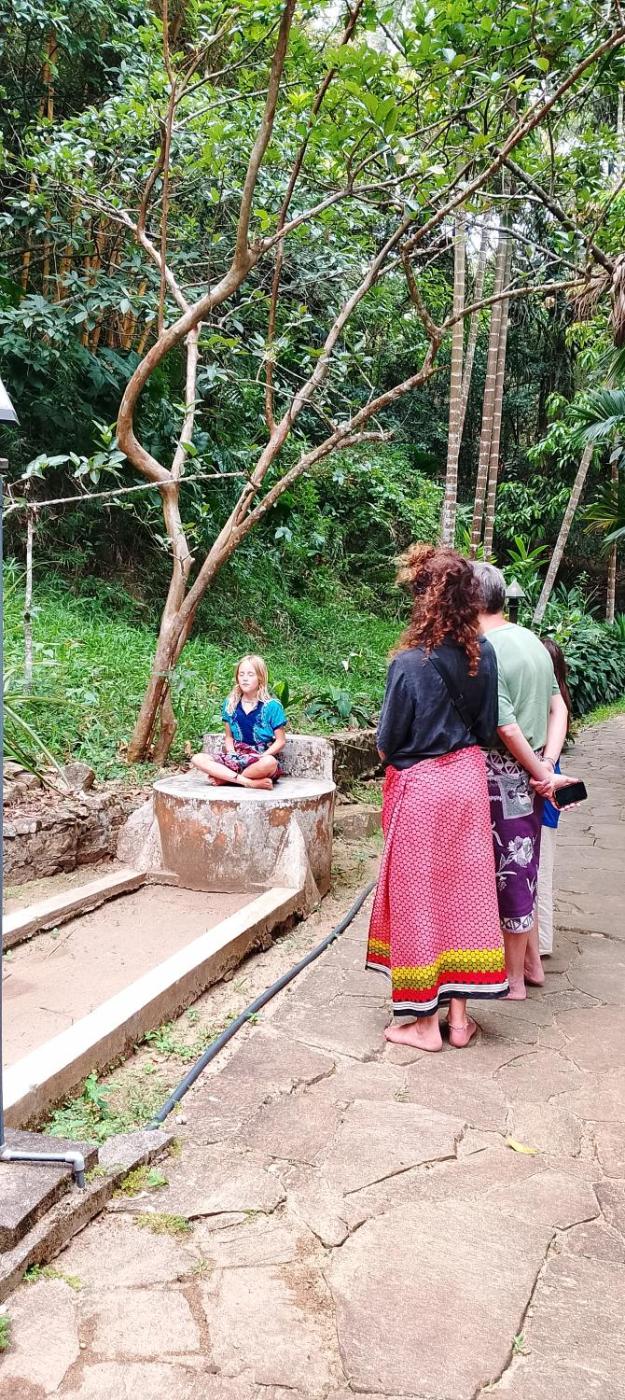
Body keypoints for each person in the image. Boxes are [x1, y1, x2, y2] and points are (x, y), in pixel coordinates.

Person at [366, 544, 509, 1053]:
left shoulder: (409, 663)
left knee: (420, 899)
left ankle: (424, 1023)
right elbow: (488, 728)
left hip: (424, 791)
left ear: (423, 599)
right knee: (465, 894)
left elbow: (388, 741)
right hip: (468, 784)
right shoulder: (482, 655)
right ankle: (459, 1021)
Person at [472, 563, 571, 999]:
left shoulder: (485, 649)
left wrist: (537, 770)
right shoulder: (531, 639)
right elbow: (558, 707)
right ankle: (530, 965)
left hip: (501, 773)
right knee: (524, 867)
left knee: (508, 873)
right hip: (534, 774)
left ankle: (512, 980)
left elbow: (506, 726)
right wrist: (547, 765)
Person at [191, 654, 287, 790]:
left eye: (250, 674)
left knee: (270, 763)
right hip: (237, 755)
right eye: (241, 674)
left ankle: (226, 779)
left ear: (260, 677)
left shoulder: (272, 706)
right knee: (198, 758)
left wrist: (262, 756)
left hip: (260, 757)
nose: (245, 678)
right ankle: (249, 782)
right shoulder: (230, 703)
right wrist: (231, 753)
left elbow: (280, 741)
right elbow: (229, 737)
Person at [537, 638, 573, 960]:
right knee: (541, 871)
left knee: (540, 872)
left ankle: (541, 941)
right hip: (549, 797)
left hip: (545, 796)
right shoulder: (559, 703)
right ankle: (540, 940)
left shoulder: (547, 707)